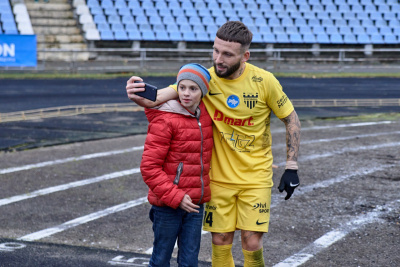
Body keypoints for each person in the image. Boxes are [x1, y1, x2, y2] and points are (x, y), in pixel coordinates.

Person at [127, 21, 301, 266]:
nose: (219, 59)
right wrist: (136, 90)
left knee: (251, 241)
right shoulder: (204, 81)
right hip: (217, 179)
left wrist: (291, 165)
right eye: (216, 50)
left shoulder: (265, 82)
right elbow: (156, 98)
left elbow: (291, 118)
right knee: (220, 240)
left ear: (245, 56)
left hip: (256, 178)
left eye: (227, 54)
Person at [140, 63, 214, 267]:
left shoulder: (206, 114)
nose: (186, 94)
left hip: (195, 203)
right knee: (161, 259)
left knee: (190, 261)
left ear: (203, 92)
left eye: (193, 88)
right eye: (182, 88)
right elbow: (149, 167)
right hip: (167, 204)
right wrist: (176, 197)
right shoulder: (165, 119)